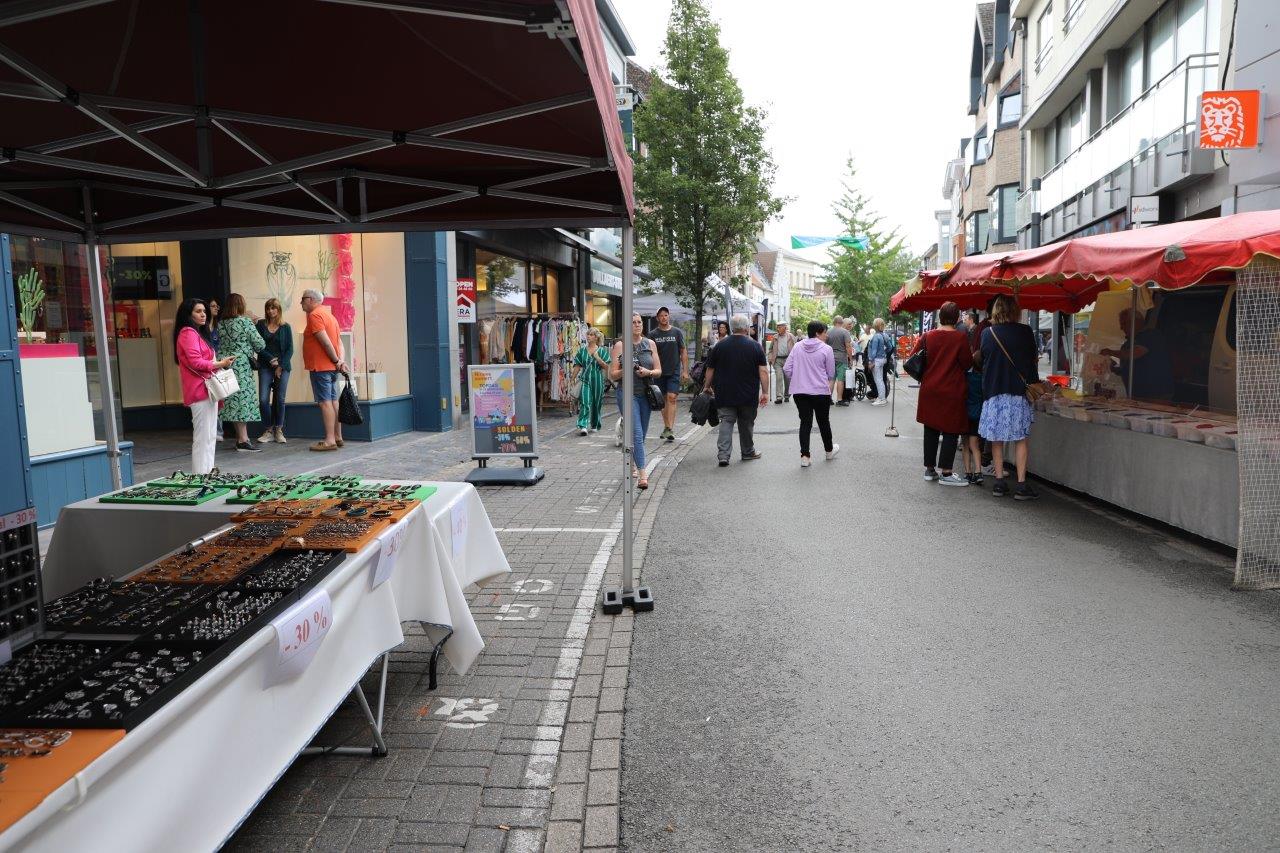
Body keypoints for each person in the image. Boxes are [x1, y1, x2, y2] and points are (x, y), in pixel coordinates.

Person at [978, 294, 1040, 500]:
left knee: (996, 439)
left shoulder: (987, 333)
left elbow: (984, 362)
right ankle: (1021, 485)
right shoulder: (1025, 332)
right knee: (1020, 439)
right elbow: (1032, 362)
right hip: (1018, 394)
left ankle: (999, 483)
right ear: (1015, 310)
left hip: (994, 393)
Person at [911, 302, 972, 486]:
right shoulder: (960, 338)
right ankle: (946, 472)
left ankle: (929, 470)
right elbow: (967, 363)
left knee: (930, 428)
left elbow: (914, 356)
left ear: (940, 317)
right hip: (952, 390)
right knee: (951, 430)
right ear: (957, 317)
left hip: (929, 388)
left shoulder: (927, 336)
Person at [174, 298, 234, 474]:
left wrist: (220, 364)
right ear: (188, 314)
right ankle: (200, 476)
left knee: (210, 436)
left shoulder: (197, 333)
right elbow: (196, 362)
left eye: (204, 311)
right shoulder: (188, 333)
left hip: (207, 390)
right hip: (200, 391)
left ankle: (207, 473)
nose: (203, 314)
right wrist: (220, 364)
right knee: (203, 437)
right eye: (198, 311)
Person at [702, 313, 768, 467]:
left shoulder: (720, 346)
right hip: (748, 393)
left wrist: (706, 387)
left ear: (731, 328)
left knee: (726, 421)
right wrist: (765, 392)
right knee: (746, 423)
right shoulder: (755, 346)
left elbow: (710, 369)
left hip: (724, 392)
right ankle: (747, 452)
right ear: (746, 328)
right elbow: (763, 371)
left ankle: (723, 455)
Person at [609, 313, 661, 489]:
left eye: (639, 322)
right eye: (633, 322)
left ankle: (632, 460)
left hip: (645, 395)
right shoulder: (620, 345)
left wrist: (648, 372)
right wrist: (627, 369)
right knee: (637, 433)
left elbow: (659, 370)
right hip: (627, 393)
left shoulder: (650, 343)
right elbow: (612, 375)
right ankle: (642, 474)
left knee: (641, 435)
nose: (637, 325)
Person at [216, 292, 266, 452]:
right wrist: (253, 324)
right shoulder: (245, 322)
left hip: (225, 365)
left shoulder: (221, 324)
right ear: (241, 305)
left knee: (233, 402)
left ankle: (240, 439)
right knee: (243, 402)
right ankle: (244, 440)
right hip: (241, 366)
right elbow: (260, 344)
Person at [301, 288, 349, 452]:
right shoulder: (330, 316)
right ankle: (338, 436)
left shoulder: (315, 315)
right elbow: (339, 343)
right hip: (331, 367)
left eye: (303, 299)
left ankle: (329, 440)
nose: (301, 302)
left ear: (310, 300)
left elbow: (326, 342)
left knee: (325, 402)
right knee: (333, 401)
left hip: (321, 367)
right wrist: (340, 361)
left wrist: (336, 361)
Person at [784, 320, 838, 467]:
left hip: (800, 392)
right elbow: (831, 373)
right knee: (823, 422)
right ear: (817, 333)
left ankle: (805, 457)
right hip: (820, 391)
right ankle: (829, 451)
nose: (826, 335)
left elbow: (787, 368)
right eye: (825, 332)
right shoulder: (826, 349)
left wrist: (798, 378)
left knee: (805, 423)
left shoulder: (797, 346)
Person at [1100, 307, 1174, 401]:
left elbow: (1133, 354)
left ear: (1136, 321)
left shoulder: (1151, 335)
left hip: (1156, 394)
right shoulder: (1128, 343)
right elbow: (1130, 367)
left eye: (1124, 323)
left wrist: (1110, 352)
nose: (1121, 328)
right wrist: (1113, 367)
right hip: (1137, 395)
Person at [255, 298, 293, 444]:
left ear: (278, 310)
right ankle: (268, 430)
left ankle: (278, 430)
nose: (270, 311)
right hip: (265, 365)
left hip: (282, 366)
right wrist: (271, 359)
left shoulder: (286, 327)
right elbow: (257, 346)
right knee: (263, 399)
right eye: (268, 308)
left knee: (280, 398)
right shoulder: (260, 325)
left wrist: (280, 366)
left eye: (273, 308)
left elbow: (290, 349)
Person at [648, 307, 689, 443]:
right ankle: (666, 427)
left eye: (666, 315)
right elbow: (649, 354)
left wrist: (685, 371)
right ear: (657, 318)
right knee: (662, 400)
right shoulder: (652, 334)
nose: (664, 317)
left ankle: (670, 428)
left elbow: (683, 351)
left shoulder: (676, 332)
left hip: (674, 371)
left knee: (672, 397)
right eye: (661, 315)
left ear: (669, 316)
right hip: (659, 371)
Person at [572, 328, 610, 435]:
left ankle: (595, 424)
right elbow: (577, 365)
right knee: (585, 402)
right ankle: (583, 425)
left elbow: (607, 367)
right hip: (585, 379)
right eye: (588, 334)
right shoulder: (582, 351)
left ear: (596, 337)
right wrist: (572, 379)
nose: (588, 336)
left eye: (591, 334)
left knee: (596, 403)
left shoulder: (601, 351)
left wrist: (598, 358)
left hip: (597, 380)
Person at [826, 316, 853, 406]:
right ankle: (839, 400)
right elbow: (848, 346)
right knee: (840, 380)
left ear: (834, 322)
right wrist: (851, 359)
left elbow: (824, 345)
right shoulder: (845, 332)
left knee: (831, 379)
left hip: (830, 358)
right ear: (842, 323)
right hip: (842, 358)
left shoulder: (828, 332)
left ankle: (828, 399)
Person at [769, 321, 796, 404]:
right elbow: (770, 349)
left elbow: (796, 348)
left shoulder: (790, 336)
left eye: (779, 327)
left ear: (785, 327)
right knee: (779, 378)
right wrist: (770, 358)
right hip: (777, 360)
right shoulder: (775, 337)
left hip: (788, 360)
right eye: (777, 327)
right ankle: (779, 397)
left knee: (787, 379)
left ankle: (787, 395)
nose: (778, 329)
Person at [866, 318, 892, 406]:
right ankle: (882, 398)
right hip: (883, 359)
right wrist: (884, 353)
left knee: (878, 380)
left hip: (876, 360)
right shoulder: (885, 335)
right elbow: (890, 347)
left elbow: (873, 351)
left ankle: (882, 399)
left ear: (875, 326)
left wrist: (870, 361)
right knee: (880, 379)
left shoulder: (876, 336)